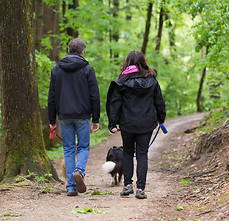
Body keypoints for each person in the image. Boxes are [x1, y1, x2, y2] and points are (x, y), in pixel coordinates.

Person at [106, 50, 166, 199]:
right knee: (142, 154)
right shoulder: (152, 80)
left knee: (127, 152)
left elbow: (114, 103)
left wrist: (112, 123)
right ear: (143, 62)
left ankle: (127, 186)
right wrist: (161, 118)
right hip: (146, 123)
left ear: (127, 62)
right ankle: (141, 189)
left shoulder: (122, 82)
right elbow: (159, 101)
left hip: (127, 124)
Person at [48, 38, 100, 196]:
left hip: (64, 115)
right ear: (82, 51)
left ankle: (70, 187)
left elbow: (52, 97)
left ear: (68, 50)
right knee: (83, 147)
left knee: (69, 149)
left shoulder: (57, 69)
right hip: (83, 115)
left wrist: (52, 120)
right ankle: (79, 171)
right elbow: (94, 96)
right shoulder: (87, 69)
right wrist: (96, 118)